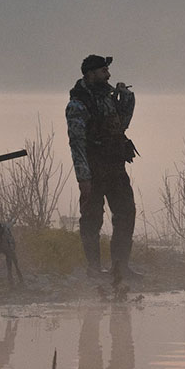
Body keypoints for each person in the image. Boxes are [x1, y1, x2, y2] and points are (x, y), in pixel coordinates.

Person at [66, 54, 141, 282]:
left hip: (115, 166)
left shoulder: (107, 97)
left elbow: (121, 125)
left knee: (126, 213)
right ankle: (94, 269)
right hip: (93, 168)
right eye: (103, 71)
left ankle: (120, 267)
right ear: (90, 74)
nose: (108, 75)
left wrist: (127, 99)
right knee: (91, 219)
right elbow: (76, 142)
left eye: (107, 70)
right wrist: (83, 178)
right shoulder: (78, 104)